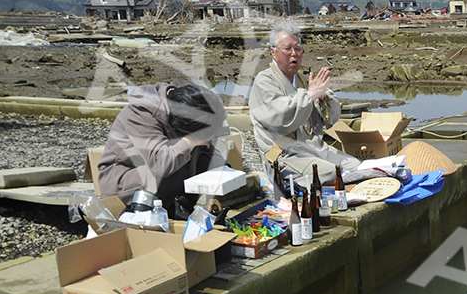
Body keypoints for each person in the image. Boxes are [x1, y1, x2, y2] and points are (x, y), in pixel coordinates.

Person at [249, 20, 361, 191]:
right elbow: (279, 117)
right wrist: (309, 95)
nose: (294, 54)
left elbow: (329, 120)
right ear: (273, 52)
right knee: (330, 172)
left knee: (356, 165)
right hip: (284, 154)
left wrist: (324, 97)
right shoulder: (264, 81)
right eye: (287, 49)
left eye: (298, 49)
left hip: (313, 148)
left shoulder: (303, 80)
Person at [97, 81, 229, 217]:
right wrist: (192, 140)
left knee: (204, 162)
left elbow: (206, 148)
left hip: (158, 168)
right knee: (176, 170)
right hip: (125, 177)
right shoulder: (142, 113)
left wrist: (225, 171)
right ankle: (166, 214)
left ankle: (179, 209)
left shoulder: (187, 106)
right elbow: (160, 163)